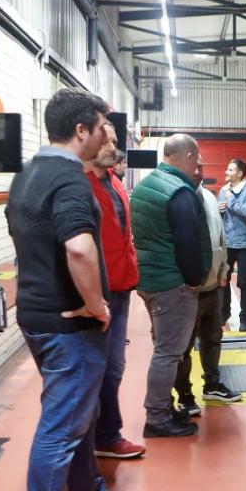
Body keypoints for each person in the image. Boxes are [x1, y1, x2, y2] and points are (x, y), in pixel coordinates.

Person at [8, 87, 126, 491]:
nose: (106, 135)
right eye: (102, 127)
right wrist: (97, 304)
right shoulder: (71, 180)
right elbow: (78, 247)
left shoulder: (27, 174)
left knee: (80, 414)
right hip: (68, 323)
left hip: (36, 315)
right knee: (61, 425)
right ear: (82, 130)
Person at [129, 134, 212, 438]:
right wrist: (194, 280)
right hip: (172, 284)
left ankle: (162, 408)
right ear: (189, 157)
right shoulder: (180, 193)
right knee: (168, 352)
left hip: (149, 280)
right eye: (197, 160)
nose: (197, 168)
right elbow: (188, 245)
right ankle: (158, 417)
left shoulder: (144, 185)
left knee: (163, 348)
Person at [86, 144, 145, 461]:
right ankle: (93, 440)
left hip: (120, 286)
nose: (112, 148)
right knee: (91, 372)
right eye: (105, 140)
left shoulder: (114, 180)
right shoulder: (78, 183)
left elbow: (122, 235)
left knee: (114, 367)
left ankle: (107, 435)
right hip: (94, 291)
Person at [174, 161, 241, 417]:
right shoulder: (176, 198)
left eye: (201, 166)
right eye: (193, 165)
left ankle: (212, 383)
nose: (198, 170)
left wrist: (223, 272)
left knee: (213, 339)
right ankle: (184, 394)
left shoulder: (210, 198)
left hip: (213, 286)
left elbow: (221, 237)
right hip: (185, 289)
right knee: (183, 346)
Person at [218, 158, 246, 331]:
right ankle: (224, 313)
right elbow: (220, 216)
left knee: (243, 282)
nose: (226, 172)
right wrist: (218, 211)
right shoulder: (223, 190)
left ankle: (245, 318)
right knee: (223, 280)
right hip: (227, 244)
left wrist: (231, 202)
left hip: (243, 244)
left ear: (240, 173)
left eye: (230, 170)